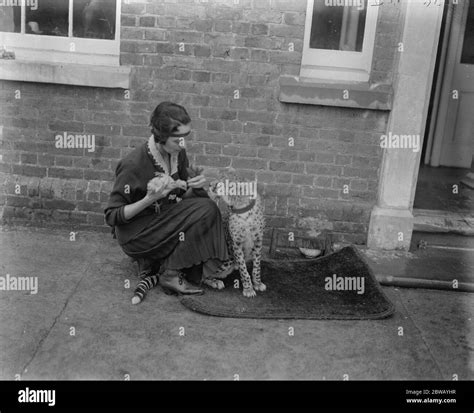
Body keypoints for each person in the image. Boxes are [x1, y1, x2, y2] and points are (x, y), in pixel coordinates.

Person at [104, 102, 229, 295]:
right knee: (206, 209)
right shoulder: (133, 164)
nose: (183, 144)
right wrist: (149, 198)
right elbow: (112, 217)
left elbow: (182, 198)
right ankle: (169, 272)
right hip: (135, 235)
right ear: (161, 136)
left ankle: (166, 266)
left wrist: (196, 187)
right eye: (178, 139)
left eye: (185, 138)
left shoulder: (178, 154)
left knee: (205, 204)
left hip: (160, 221)